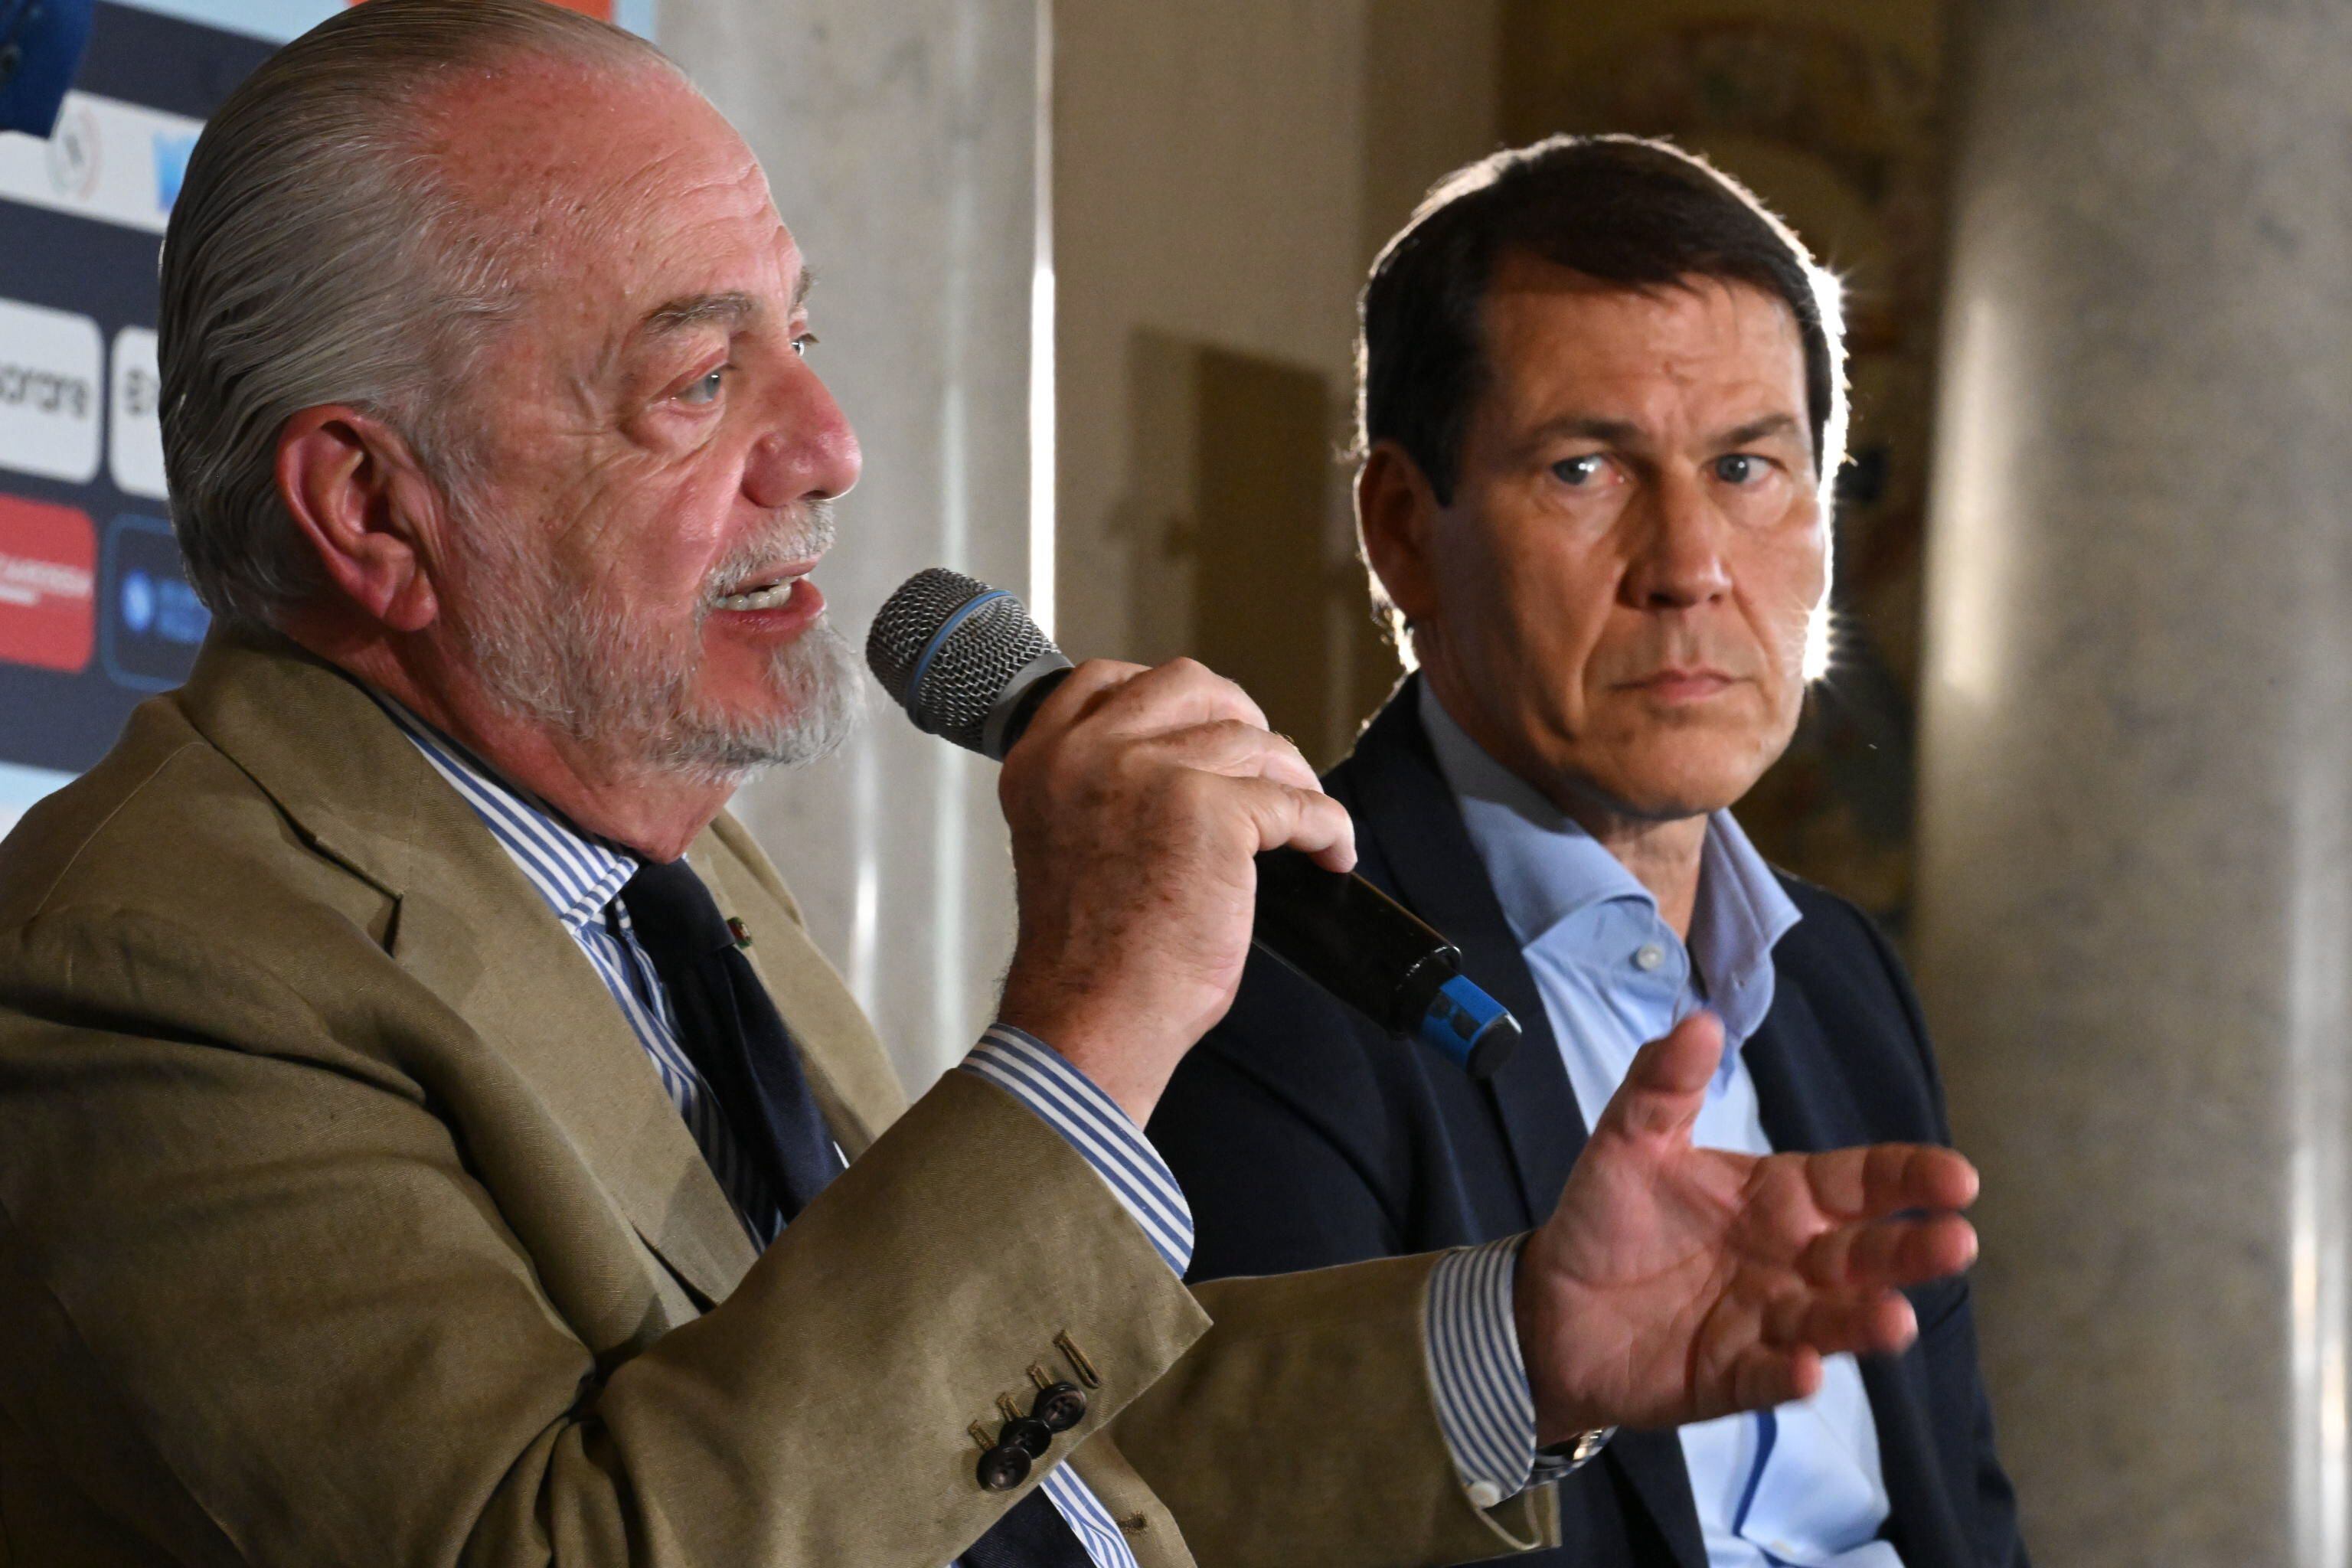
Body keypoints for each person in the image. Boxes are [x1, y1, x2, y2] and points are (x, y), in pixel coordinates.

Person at [0, 11, 1981, 1566]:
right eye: (701, 381)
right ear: (371, 505)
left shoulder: (678, 896)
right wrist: (1089, 1031)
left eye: (811, 346)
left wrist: (1523, 1344)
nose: (834, 445)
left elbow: (1000, 1477)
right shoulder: (152, 968)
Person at [1148, 136, 2027, 1568]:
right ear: (1402, 532)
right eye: (1584, 468)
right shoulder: (1260, 970)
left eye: (1748, 465)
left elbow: (1965, 1518)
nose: (1690, 561)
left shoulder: (1845, 976)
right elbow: (1222, 1519)